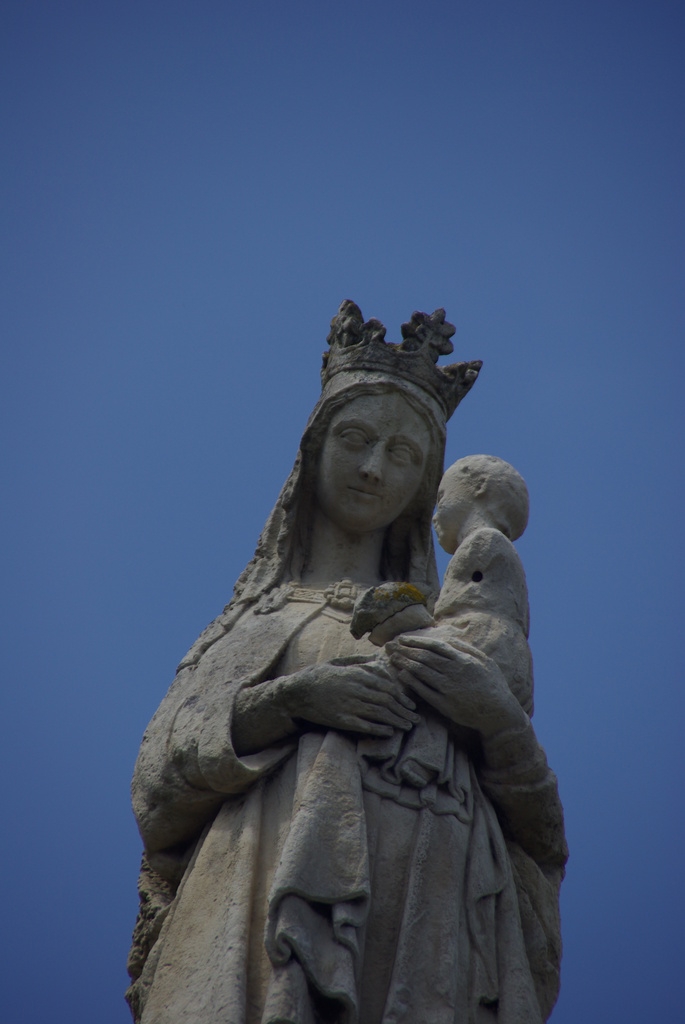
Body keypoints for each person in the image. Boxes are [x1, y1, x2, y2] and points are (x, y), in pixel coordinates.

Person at [127, 302, 567, 1024]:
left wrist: (491, 720)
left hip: (435, 900)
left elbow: (542, 834)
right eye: (355, 440)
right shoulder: (262, 617)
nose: (372, 469)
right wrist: (292, 701)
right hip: (264, 882)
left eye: (402, 455)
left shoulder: (460, 630)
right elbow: (157, 789)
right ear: (313, 452)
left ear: (428, 484)